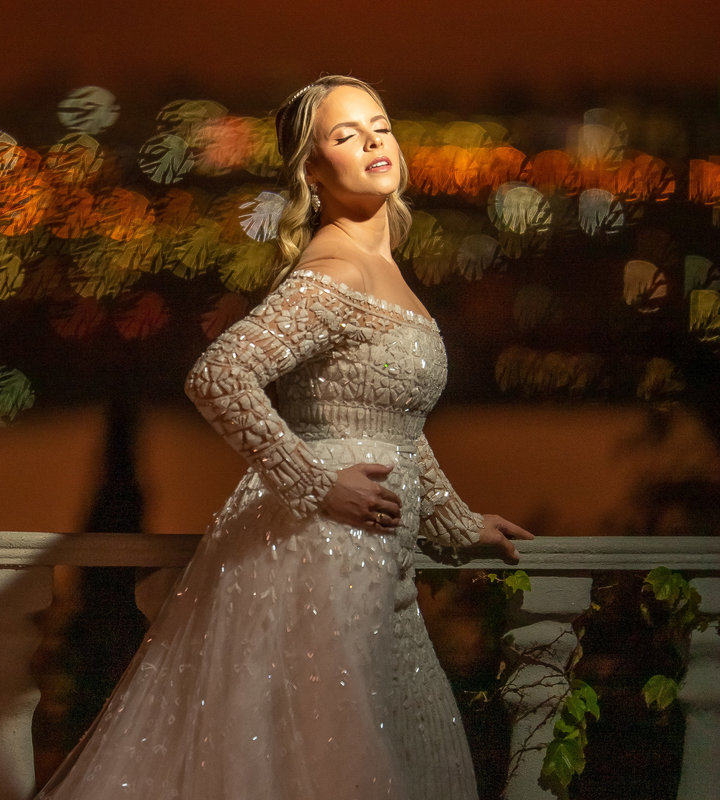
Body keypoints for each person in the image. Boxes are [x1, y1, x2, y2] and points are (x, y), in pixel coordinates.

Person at [36, 75, 534, 800]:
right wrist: (312, 484)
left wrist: (459, 522)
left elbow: (394, 424)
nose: (371, 141)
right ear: (310, 169)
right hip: (327, 551)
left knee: (398, 752)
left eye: (380, 125)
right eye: (344, 134)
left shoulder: (381, 264)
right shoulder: (334, 267)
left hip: (375, 551)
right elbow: (218, 374)